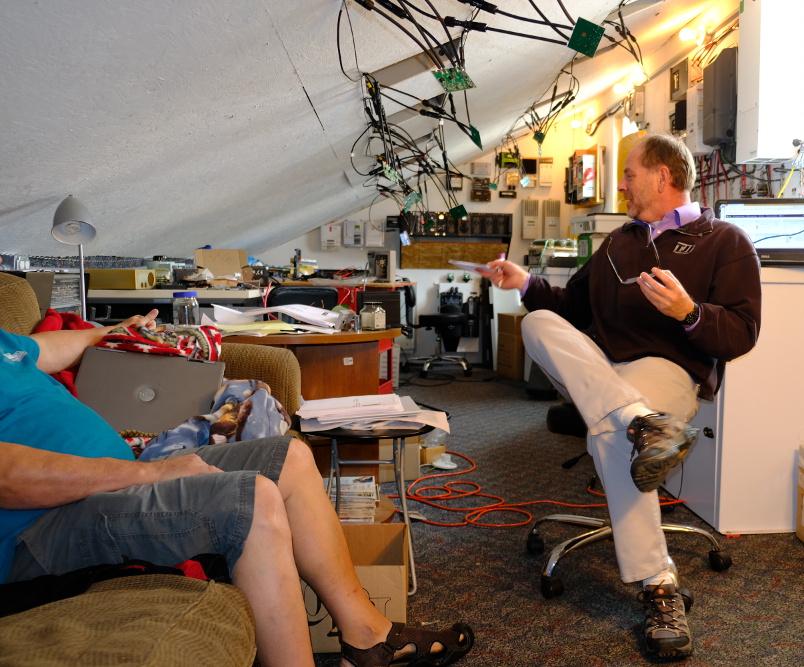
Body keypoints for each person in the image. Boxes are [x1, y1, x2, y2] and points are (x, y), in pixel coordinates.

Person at [0, 310, 473, 667]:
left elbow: (50, 348)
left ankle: (366, 635)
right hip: (40, 530)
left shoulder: (5, 345)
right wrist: (149, 474)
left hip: (110, 484)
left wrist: (120, 331)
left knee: (287, 458)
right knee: (251, 497)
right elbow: (7, 478)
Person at [481, 133, 761, 661]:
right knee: (539, 322)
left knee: (612, 434)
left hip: (666, 370)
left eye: (630, 174)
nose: (623, 186)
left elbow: (743, 332)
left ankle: (658, 584)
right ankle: (642, 425)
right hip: (601, 368)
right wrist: (524, 282)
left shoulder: (725, 241)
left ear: (663, 175)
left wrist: (689, 312)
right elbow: (570, 308)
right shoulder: (618, 243)